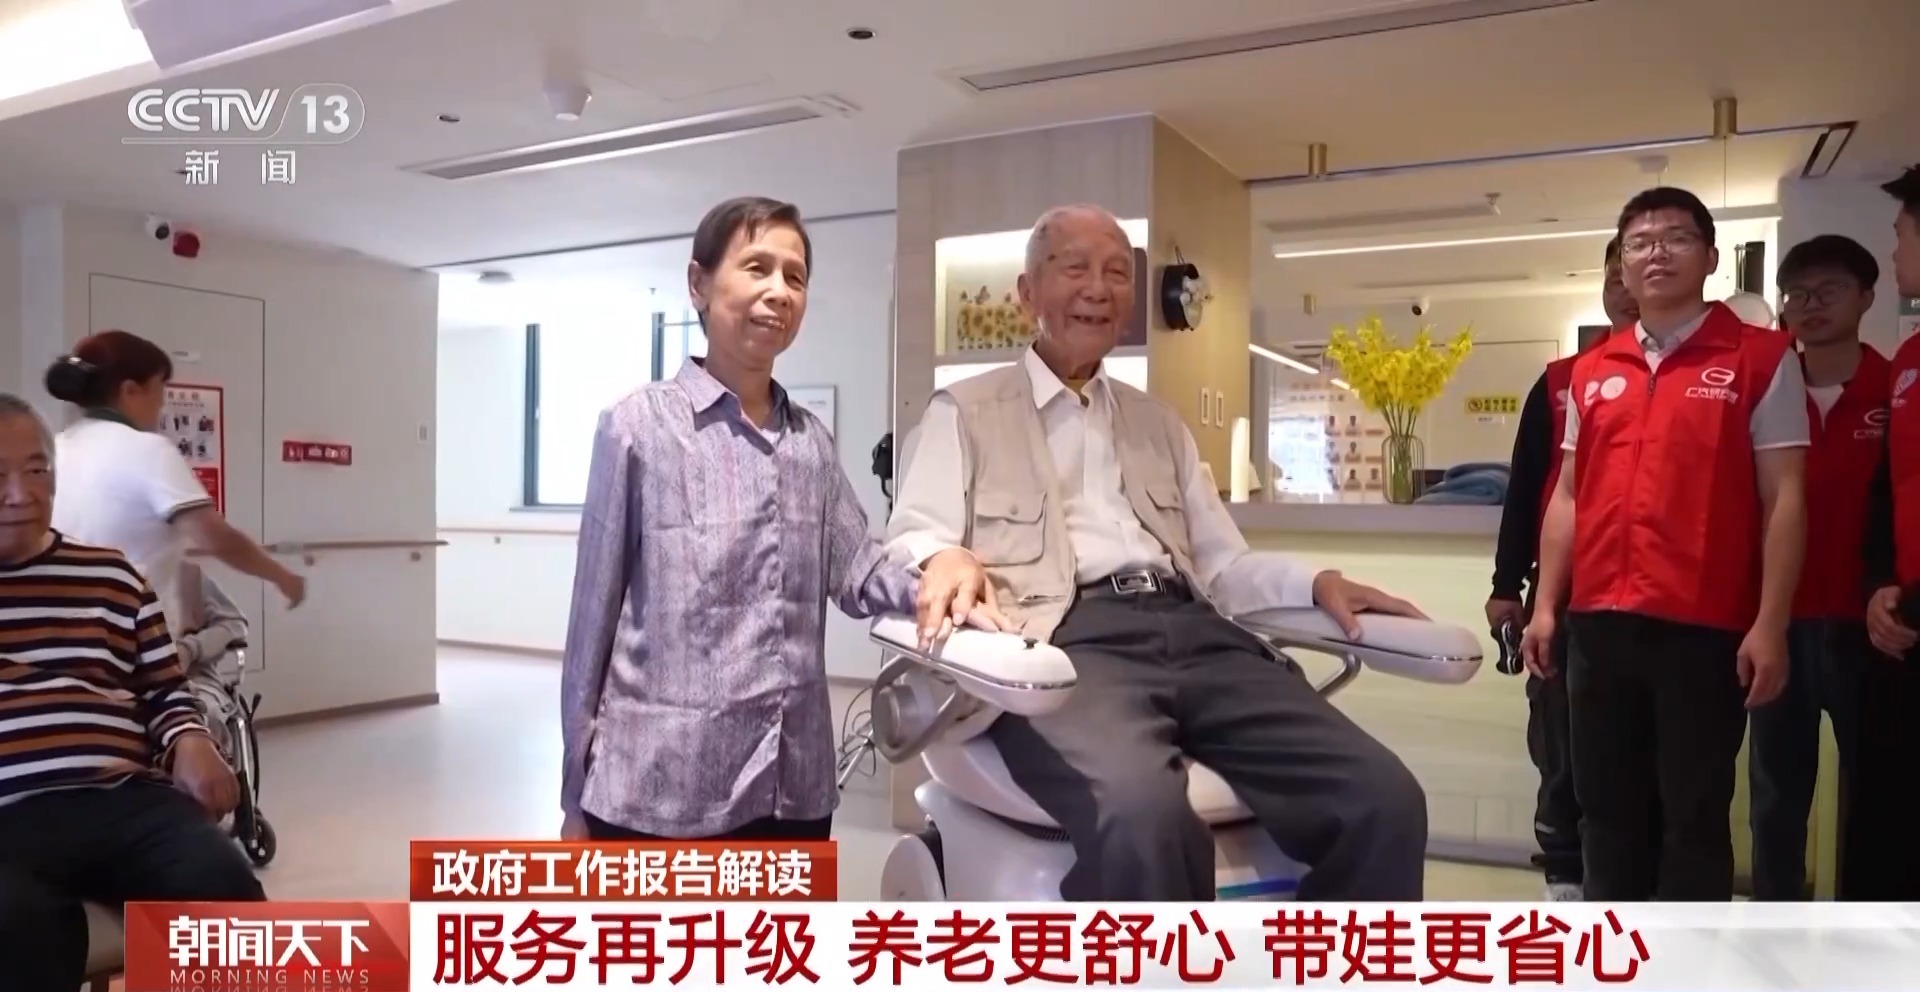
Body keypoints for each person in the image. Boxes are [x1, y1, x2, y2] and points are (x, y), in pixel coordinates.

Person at [887, 203, 1432, 901]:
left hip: (1198, 637)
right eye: (1075, 268)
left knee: (1383, 801)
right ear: (1027, 294)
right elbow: (913, 538)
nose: (1098, 288)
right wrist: (944, 556)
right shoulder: (963, 411)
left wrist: (1315, 583)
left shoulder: (1159, 423)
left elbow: (1223, 568)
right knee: (1145, 819)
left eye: (1117, 273)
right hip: (1062, 647)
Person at [559, 197, 993, 843]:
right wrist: (575, 792)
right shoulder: (637, 427)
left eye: (795, 277)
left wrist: (941, 577)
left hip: (792, 788)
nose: (779, 292)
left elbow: (859, 571)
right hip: (661, 791)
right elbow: (591, 618)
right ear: (699, 283)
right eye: (756, 267)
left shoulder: (809, 442)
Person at [1523, 186, 1809, 902]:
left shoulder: (1760, 358)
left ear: (1710, 257)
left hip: (1703, 626)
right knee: (1604, 813)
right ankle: (1617, 950)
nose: (1656, 254)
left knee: (1693, 818)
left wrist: (1770, 624)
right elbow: (1568, 495)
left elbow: (1785, 497)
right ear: (1622, 265)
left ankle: (1688, 956)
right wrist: (1546, 607)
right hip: (1599, 623)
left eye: (1676, 238)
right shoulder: (1594, 370)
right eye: (1639, 243)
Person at [0, 392, 266, 992]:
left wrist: (192, 739)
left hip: (123, 798)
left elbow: (164, 686)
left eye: (37, 470)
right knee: (18, 929)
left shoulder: (111, 575)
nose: (21, 494)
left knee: (224, 892)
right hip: (7, 811)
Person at [1487, 235, 1638, 901]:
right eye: (1613, 276)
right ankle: (1564, 878)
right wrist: (1506, 586)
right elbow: (1527, 491)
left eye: (1634, 275)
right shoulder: (1559, 382)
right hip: (1564, 598)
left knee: (1636, 754)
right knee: (1560, 744)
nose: (1624, 290)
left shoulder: (1702, 377)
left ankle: (1632, 885)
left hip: (1652, 604)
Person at [1746, 235, 1888, 900]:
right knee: (1776, 793)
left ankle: (1874, 926)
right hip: (1781, 621)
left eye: (1829, 290)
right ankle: (1775, 921)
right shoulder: (1765, 390)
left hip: (1874, 625)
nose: (1810, 304)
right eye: (1797, 293)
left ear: (1867, 296)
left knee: (1881, 790)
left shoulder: (1897, 388)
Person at [44, 330, 305, 641]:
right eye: (160, 389)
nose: (162, 405)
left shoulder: (53, 449)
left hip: (57, 636)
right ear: (130, 390)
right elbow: (215, 537)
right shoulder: (147, 450)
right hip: (128, 638)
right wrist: (282, 576)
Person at [1855, 163, 1920, 898]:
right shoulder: (1909, 360)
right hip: (1898, 625)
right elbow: (1888, 492)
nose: (1896, 252)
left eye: (1903, 235)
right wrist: (1881, 585)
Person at [175, 563, 251, 756]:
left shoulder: (185, 572)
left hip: (194, 678)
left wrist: (190, 649)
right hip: (124, 685)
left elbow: (235, 624)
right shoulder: (108, 577)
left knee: (199, 715)